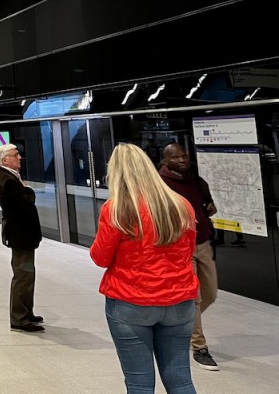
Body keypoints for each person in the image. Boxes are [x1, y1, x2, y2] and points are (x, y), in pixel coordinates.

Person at [91, 143, 199, 394]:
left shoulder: (117, 208)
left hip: (131, 302)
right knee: (180, 378)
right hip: (179, 301)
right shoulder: (180, 204)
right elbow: (189, 249)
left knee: (139, 382)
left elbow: (101, 258)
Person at [159, 142, 220, 371]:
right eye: (176, 157)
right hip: (179, 247)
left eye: (184, 156)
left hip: (202, 242)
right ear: (166, 160)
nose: (183, 160)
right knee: (193, 298)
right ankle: (199, 347)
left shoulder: (196, 181)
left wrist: (209, 207)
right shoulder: (161, 184)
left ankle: (181, 323)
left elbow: (207, 202)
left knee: (210, 293)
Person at [0, 143, 44, 332]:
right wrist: (29, 191)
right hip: (19, 234)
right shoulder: (7, 180)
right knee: (23, 275)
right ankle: (19, 318)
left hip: (23, 234)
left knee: (27, 274)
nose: (19, 157)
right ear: (5, 160)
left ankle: (26, 312)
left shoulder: (9, 177)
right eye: (15, 155)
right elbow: (24, 207)